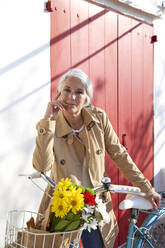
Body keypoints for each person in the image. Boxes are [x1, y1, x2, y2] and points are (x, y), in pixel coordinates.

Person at [32, 68, 160, 248]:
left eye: (79, 92)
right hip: (64, 205)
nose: (72, 97)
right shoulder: (52, 124)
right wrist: (47, 121)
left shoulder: (99, 119)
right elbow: (41, 166)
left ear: (87, 98)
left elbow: (119, 155)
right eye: (67, 90)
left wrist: (146, 188)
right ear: (59, 93)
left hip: (94, 204)